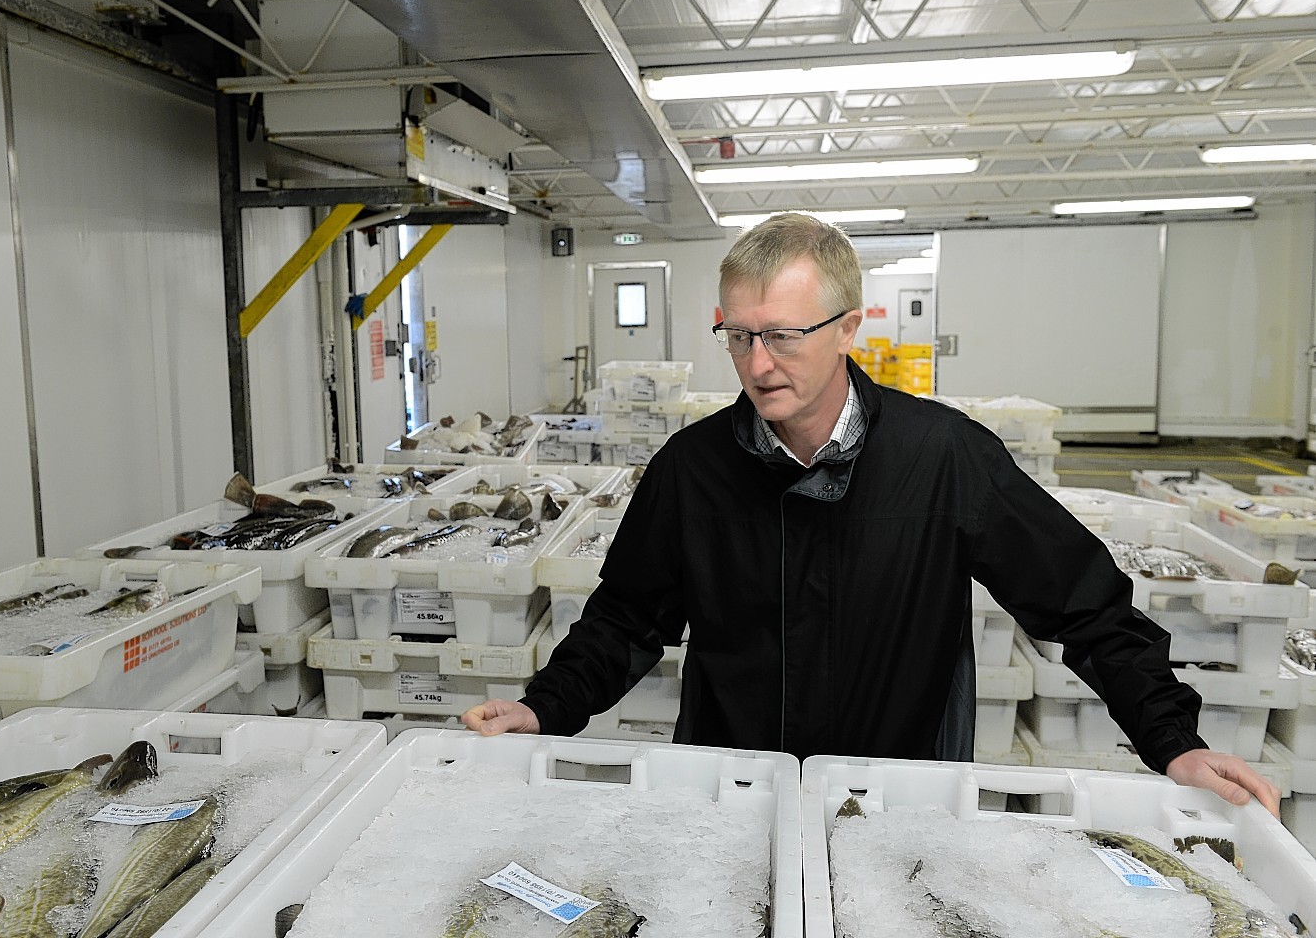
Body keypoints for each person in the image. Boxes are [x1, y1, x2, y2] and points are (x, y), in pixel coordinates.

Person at [463, 213, 1279, 814]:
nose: (757, 364)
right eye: (738, 336)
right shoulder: (693, 469)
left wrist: (1175, 742)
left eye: (782, 336)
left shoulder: (943, 457)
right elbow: (627, 619)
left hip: (899, 798)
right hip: (735, 792)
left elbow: (1088, 607)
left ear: (849, 326)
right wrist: (546, 707)